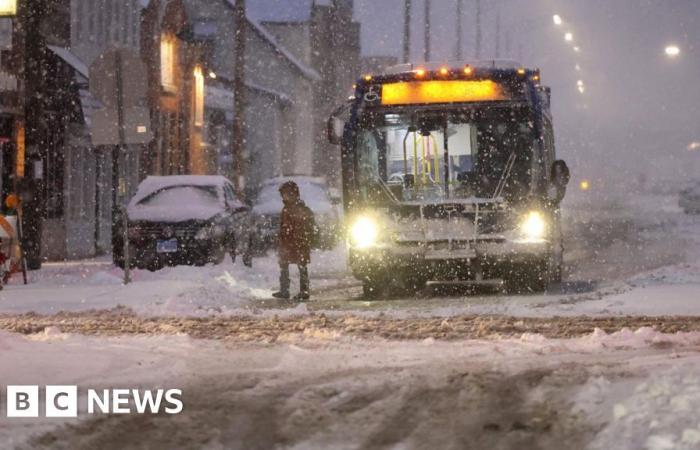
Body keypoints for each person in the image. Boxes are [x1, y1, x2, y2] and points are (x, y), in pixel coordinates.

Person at [272, 181, 315, 301]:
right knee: (284, 265)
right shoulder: (286, 208)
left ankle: (303, 290)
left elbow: (301, 227)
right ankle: (284, 290)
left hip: (297, 242)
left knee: (301, 266)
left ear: (293, 194)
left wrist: (299, 239)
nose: (283, 197)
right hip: (288, 242)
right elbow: (283, 226)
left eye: (285, 194)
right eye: (283, 194)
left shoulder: (298, 209)